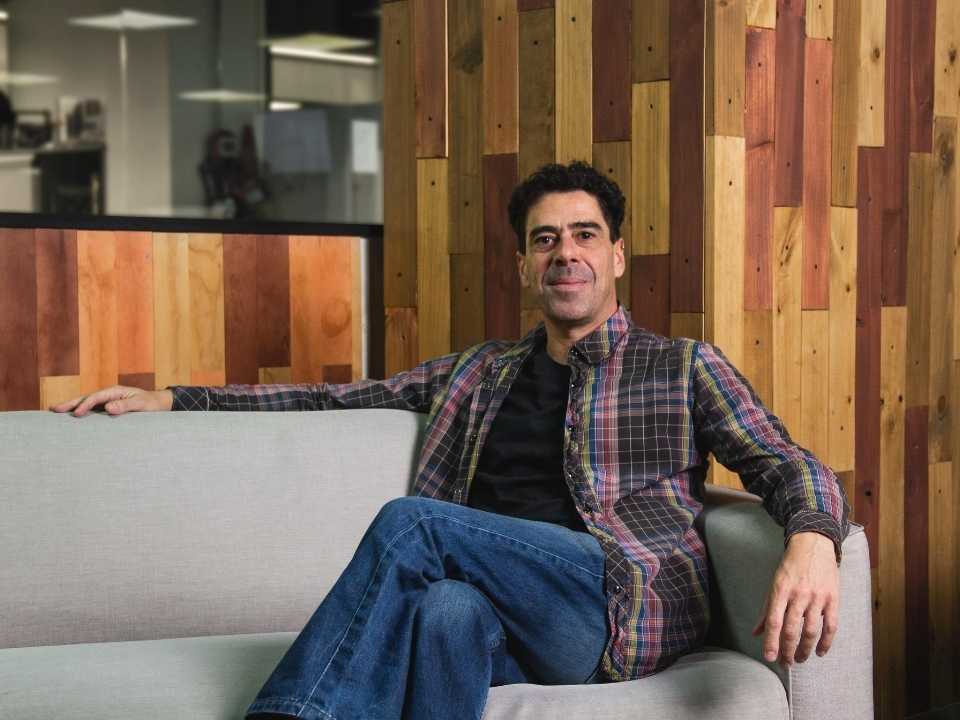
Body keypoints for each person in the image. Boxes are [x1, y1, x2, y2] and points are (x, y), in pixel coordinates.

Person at [53, 162, 849, 720]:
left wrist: (813, 537)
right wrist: (174, 397)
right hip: (510, 620)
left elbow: (781, 460)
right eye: (545, 239)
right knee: (444, 612)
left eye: (584, 235)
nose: (565, 253)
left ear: (615, 256)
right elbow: (331, 396)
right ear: (524, 265)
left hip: (613, 602)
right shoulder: (479, 373)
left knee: (415, 525)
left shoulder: (680, 367)